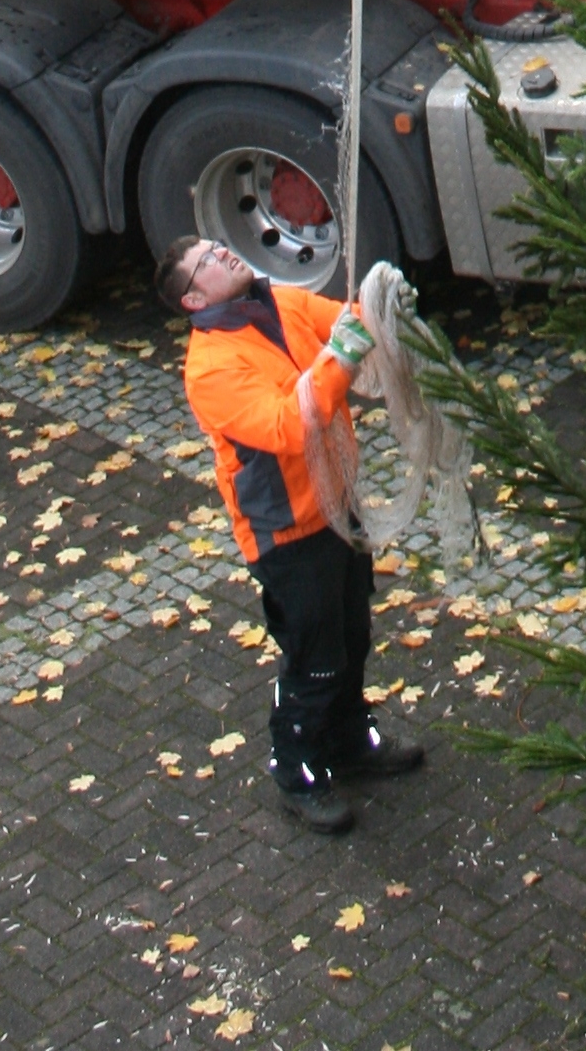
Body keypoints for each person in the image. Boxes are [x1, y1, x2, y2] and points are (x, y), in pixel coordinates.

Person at [160, 232, 426, 831]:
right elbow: (289, 425)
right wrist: (341, 355)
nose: (224, 253)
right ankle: (296, 772)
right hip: (287, 535)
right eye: (207, 261)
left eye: (217, 246)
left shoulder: (278, 301)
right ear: (194, 300)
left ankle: (350, 741)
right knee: (315, 658)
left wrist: (382, 307)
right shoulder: (211, 369)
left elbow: (345, 321)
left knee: (352, 635)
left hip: (335, 505)